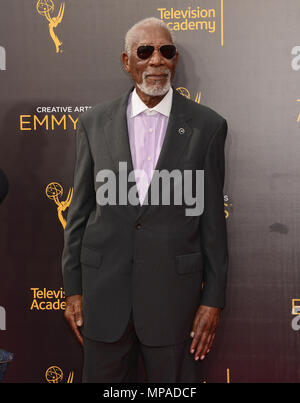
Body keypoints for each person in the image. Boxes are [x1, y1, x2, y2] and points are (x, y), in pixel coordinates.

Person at [62, 17, 228, 383]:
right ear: (127, 61)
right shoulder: (93, 123)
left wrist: (213, 298)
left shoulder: (207, 127)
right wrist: (73, 289)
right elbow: (79, 214)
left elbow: (213, 222)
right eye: (145, 51)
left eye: (165, 51)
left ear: (175, 60)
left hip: (173, 303)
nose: (156, 60)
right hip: (104, 298)